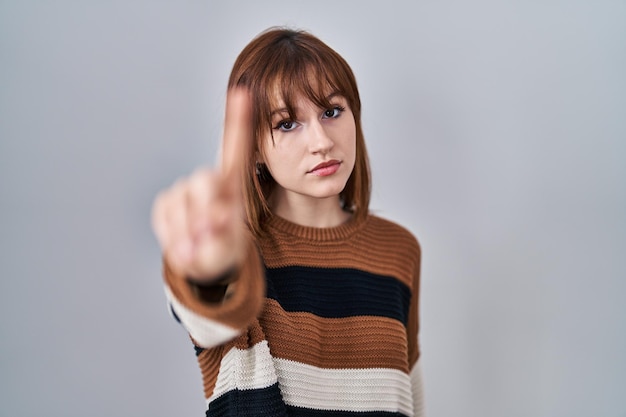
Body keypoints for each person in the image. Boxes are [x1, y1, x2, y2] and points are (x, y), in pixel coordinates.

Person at [152, 27, 424, 417]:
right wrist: (209, 268)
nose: (321, 141)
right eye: (286, 123)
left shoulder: (398, 250)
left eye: (331, 112)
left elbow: (410, 394)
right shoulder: (239, 252)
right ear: (255, 150)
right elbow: (209, 316)